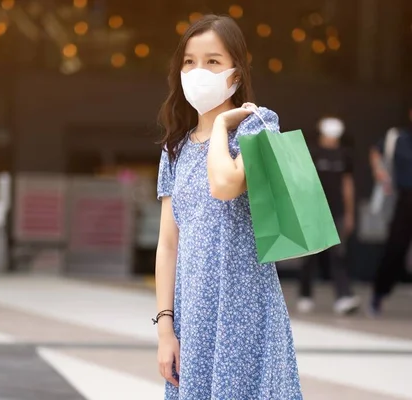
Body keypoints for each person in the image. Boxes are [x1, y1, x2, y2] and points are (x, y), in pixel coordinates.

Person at [154, 14, 302, 400]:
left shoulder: (256, 127)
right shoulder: (176, 150)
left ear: (236, 73)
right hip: (194, 317)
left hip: (246, 311)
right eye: (190, 61)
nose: (198, 71)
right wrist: (165, 331)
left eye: (213, 61)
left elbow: (225, 184)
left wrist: (220, 127)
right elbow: (168, 245)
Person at [297, 116, 360, 315]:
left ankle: (343, 297)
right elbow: (303, 183)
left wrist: (349, 214)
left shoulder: (344, 155)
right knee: (309, 256)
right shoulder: (312, 153)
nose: (333, 140)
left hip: (337, 212)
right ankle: (305, 295)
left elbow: (347, 185)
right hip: (313, 211)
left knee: (338, 256)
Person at [369, 105, 412, 316]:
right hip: (404, 199)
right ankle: (378, 295)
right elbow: (376, 152)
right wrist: (379, 172)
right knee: (394, 251)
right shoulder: (399, 138)